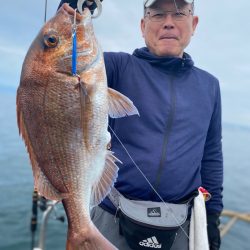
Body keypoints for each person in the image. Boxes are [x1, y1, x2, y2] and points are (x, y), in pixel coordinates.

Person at [58, 0, 223, 249]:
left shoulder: (209, 86)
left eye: (179, 13)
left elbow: (211, 155)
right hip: (111, 214)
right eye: (157, 14)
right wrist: (72, 10)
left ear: (194, 23)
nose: (168, 22)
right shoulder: (114, 67)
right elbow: (64, 65)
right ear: (143, 25)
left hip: (180, 223)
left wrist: (212, 216)